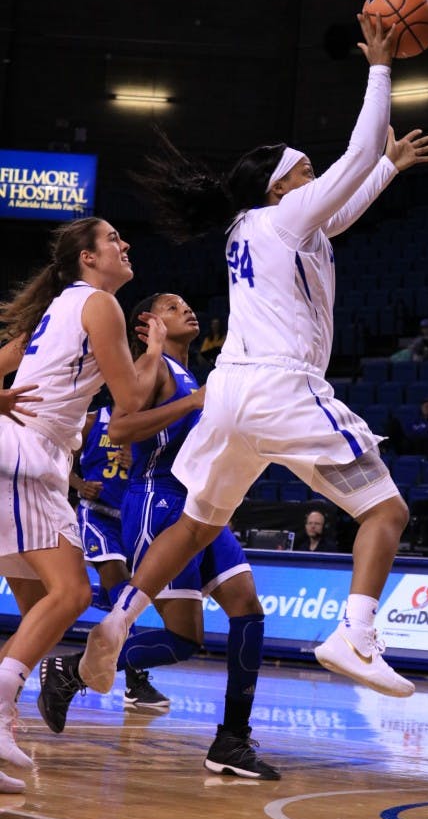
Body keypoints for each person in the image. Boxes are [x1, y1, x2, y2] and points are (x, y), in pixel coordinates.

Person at [74, 13, 428, 701]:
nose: (315, 177)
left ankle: (119, 623)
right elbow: (352, 162)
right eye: (305, 171)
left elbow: (349, 197)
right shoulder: (284, 216)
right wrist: (381, 69)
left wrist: (387, 167)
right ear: (279, 186)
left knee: (198, 521)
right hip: (279, 386)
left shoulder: (259, 225)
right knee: (385, 512)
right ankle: (354, 634)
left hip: (231, 392)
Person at [38, 292, 279, 779]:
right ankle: (69, 671)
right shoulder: (153, 369)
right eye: (172, 306)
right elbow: (122, 429)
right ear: (148, 322)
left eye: (188, 304)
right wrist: (191, 402)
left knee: (248, 608)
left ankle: (231, 738)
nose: (187, 309)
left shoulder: (194, 373)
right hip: (159, 501)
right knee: (184, 637)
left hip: (202, 504)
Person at [0, 217, 167, 785]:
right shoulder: (99, 305)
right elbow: (130, 404)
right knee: (71, 592)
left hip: (28, 457)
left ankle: (4, 722)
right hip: (28, 453)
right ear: (88, 258)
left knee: (36, 610)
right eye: (114, 238)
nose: (125, 244)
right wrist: (157, 352)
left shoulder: (59, 309)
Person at [68, 400, 170, 709]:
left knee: (125, 597)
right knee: (124, 589)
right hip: (97, 516)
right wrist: (78, 484)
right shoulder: (91, 421)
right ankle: (136, 682)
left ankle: (89, 598)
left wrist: (138, 461)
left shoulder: (152, 425)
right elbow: (58, 456)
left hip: (134, 517)